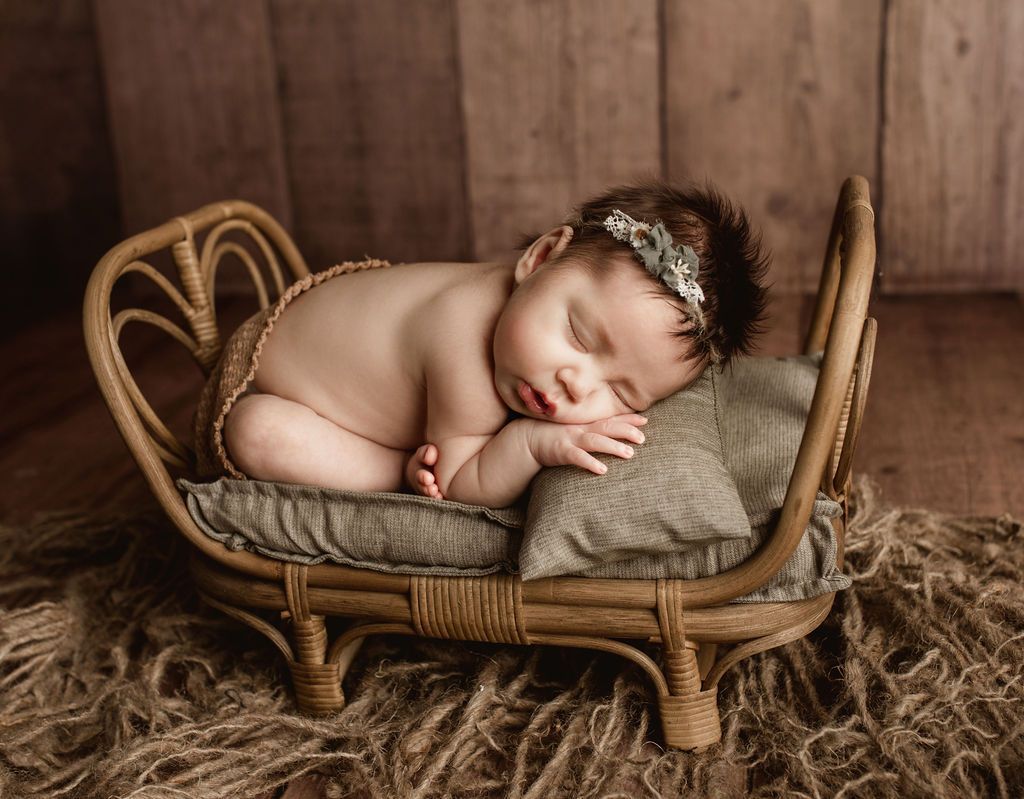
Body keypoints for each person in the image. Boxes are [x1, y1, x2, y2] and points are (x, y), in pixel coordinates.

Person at [195, 178, 769, 508]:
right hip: (266, 381)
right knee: (258, 434)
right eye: (576, 335)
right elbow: (461, 483)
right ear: (539, 259)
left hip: (330, 339)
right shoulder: (463, 342)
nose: (577, 384)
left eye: (622, 392)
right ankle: (391, 468)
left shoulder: (529, 308)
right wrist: (532, 447)